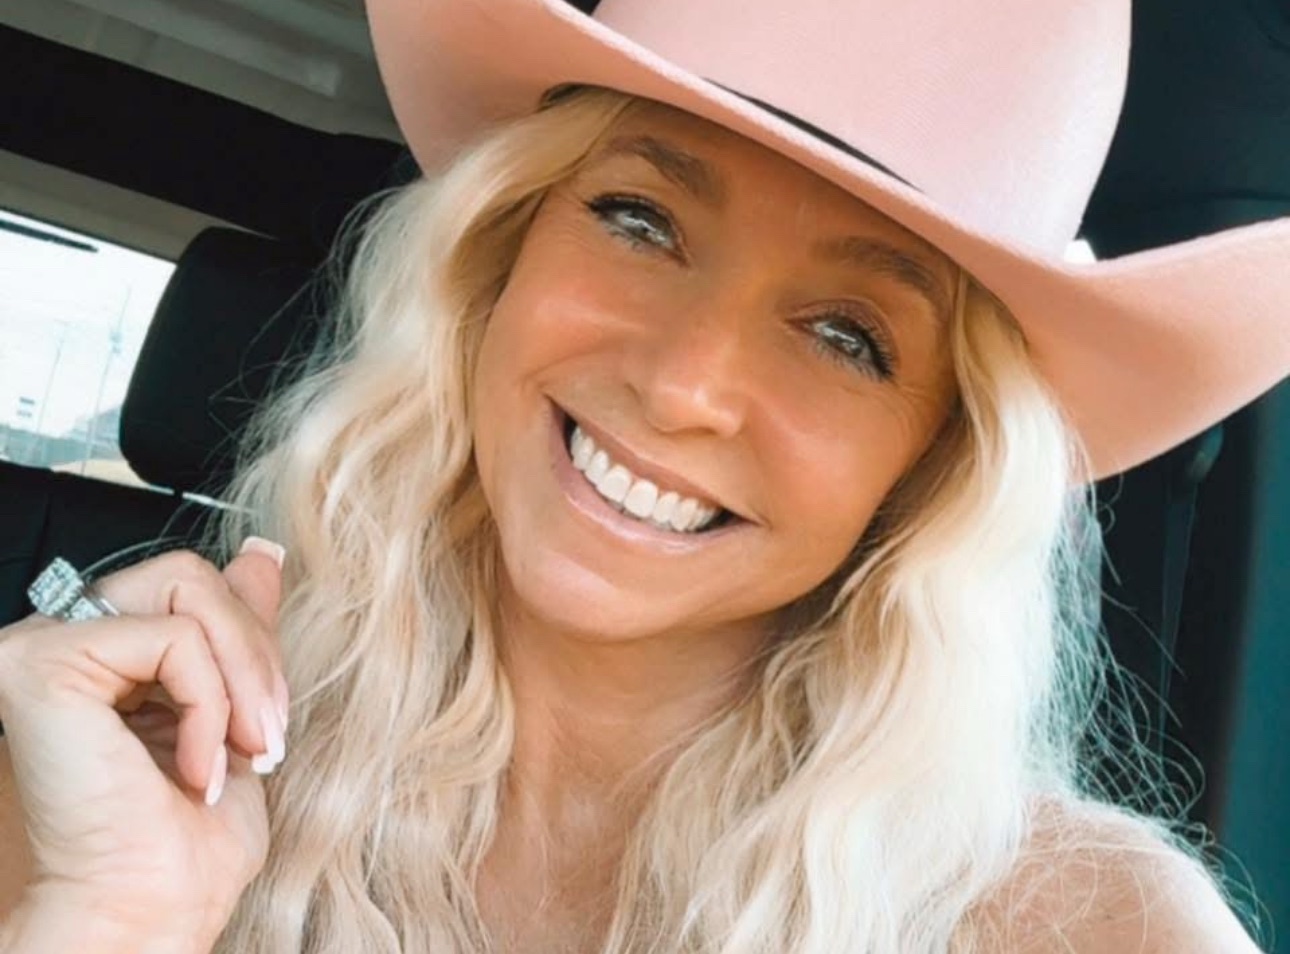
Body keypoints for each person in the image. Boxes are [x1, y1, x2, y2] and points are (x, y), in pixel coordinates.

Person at [1, 0, 1288, 951]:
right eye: (639, 221)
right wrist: (109, 925)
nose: (684, 387)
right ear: (497, 261)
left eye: (849, 338)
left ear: (935, 461)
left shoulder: (1093, 927)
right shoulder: (127, 779)